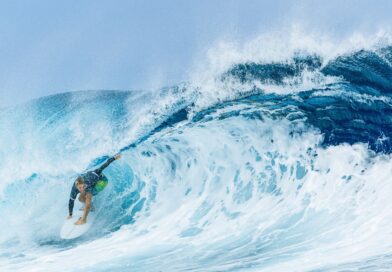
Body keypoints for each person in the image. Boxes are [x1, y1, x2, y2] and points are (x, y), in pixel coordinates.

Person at [67, 154, 121, 225]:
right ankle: (91, 207)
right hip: (91, 185)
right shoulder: (74, 189)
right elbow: (71, 201)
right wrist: (70, 214)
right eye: (80, 188)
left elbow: (103, 166)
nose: (82, 189)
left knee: (88, 196)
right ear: (76, 186)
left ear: (84, 183)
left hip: (102, 181)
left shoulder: (91, 177)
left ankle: (84, 220)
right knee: (80, 199)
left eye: (83, 186)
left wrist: (114, 158)